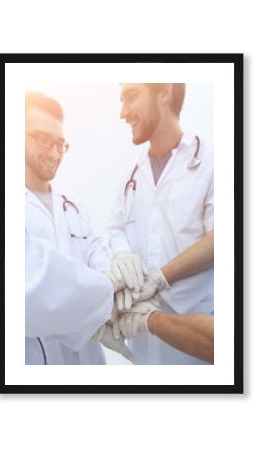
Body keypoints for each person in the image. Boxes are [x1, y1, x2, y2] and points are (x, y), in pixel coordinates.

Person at [107, 83, 214, 364]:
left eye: (131, 97)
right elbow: (115, 228)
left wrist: (161, 277)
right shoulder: (130, 176)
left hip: (197, 342)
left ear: (164, 91)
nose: (123, 112)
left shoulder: (212, 162)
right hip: (141, 342)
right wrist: (121, 253)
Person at [25, 91, 131, 365]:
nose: (54, 153)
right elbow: (29, 284)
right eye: (42, 139)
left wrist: (118, 270)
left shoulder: (74, 208)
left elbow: (98, 255)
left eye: (61, 144)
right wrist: (106, 288)